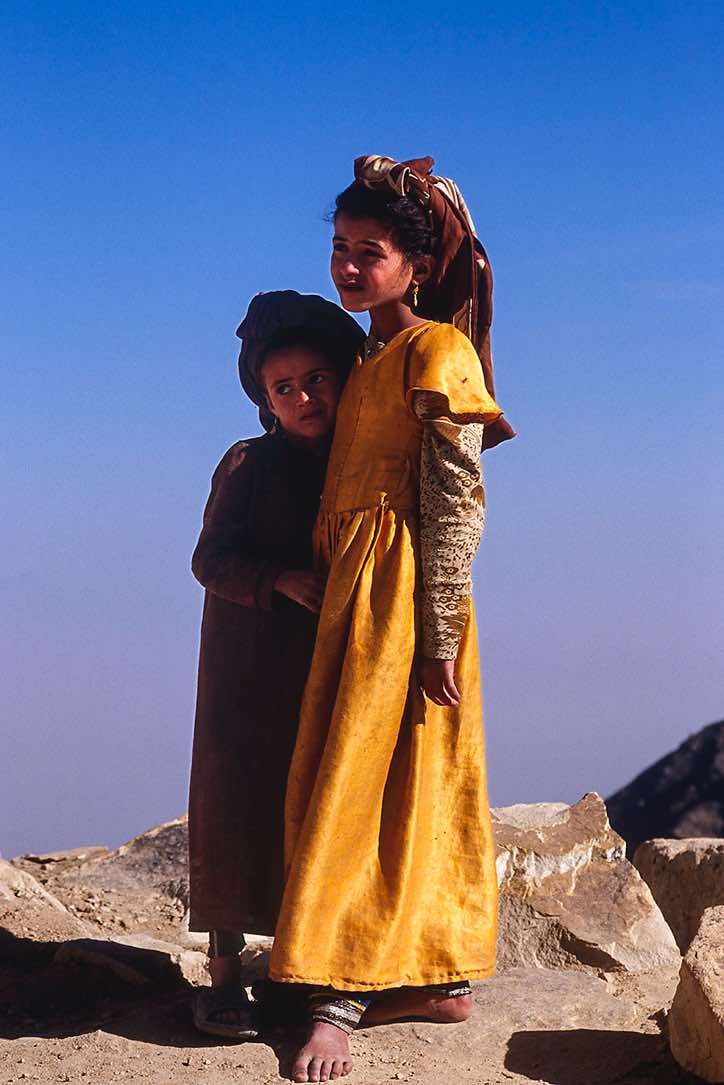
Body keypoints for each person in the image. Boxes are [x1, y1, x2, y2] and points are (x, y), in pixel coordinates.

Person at [266, 156, 515, 1083]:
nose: (347, 265)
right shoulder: (363, 361)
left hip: (402, 599)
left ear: (417, 264)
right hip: (352, 597)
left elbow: (456, 499)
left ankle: (335, 999)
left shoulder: (436, 351)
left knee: (373, 788)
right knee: (358, 776)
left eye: (368, 251)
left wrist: (439, 625)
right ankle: (429, 980)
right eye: (339, 246)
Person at [188, 290, 364, 1038]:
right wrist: (279, 580)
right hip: (246, 665)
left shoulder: (360, 462)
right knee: (234, 803)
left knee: (320, 801)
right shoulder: (248, 462)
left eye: (316, 379)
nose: (303, 398)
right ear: (264, 400)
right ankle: (226, 973)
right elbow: (208, 560)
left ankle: (314, 963)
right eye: (283, 388)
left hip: (324, 664)